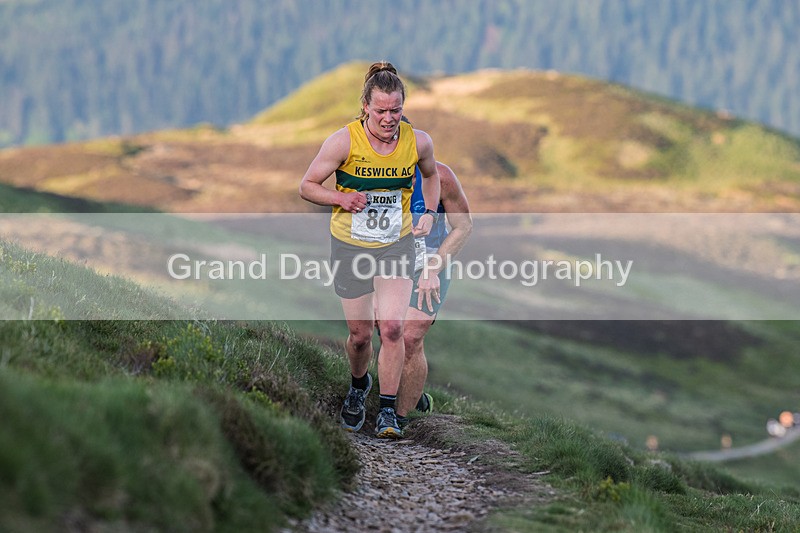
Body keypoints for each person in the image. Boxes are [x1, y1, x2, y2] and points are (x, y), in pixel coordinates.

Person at [299, 61, 440, 438]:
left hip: (396, 243)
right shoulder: (343, 141)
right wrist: (340, 200)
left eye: (395, 110)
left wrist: (425, 212)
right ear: (365, 106)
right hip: (350, 246)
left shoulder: (417, 141)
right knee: (360, 335)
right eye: (381, 110)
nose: (389, 118)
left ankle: (389, 412)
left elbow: (431, 174)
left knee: (392, 328)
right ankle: (359, 386)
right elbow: (307, 185)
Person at [395, 161, 473, 428]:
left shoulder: (441, 176)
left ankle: (401, 419)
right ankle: (415, 398)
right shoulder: (369, 170)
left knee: (411, 336)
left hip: (429, 262)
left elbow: (463, 226)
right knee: (385, 332)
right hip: (384, 260)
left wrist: (434, 267)